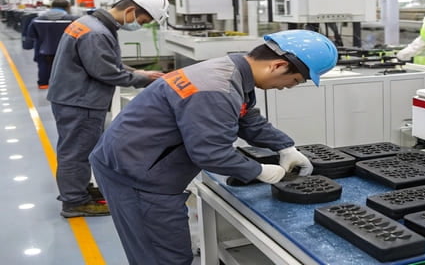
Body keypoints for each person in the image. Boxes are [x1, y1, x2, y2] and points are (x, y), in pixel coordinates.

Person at [89, 29, 338, 265]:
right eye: (293, 80)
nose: (287, 87)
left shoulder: (233, 72)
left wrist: (285, 147)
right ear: (277, 65)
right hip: (137, 175)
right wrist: (259, 171)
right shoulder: (215, 88)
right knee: (163, 257)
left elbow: (246, 117)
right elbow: (211, 153)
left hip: (141, 158)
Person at [47, 0, 170, 218]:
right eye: (142, 21)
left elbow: (106, 62)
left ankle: (79, 190)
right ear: (131, 10)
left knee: (78, 149)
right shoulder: (96, 33)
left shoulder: (88, 23)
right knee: (76, 152)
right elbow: (107, 73)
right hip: (80, 101)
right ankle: (74, 202)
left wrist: (139, 71)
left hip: (72, 96)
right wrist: (143, 79)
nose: (140, 25)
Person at [26, 0, 79, 89]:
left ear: (51, 7)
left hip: (43, 49)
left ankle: (43, 84)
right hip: (66, 50)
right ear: (68, 7)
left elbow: (31, 35)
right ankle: (64, 84)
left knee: (43, 65)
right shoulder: (73, 20)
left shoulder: (37, 20)